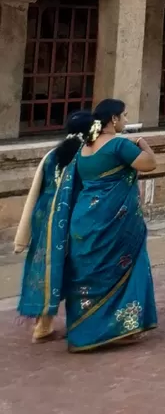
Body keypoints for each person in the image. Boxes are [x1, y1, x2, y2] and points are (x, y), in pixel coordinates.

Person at [17, 102, 160, 350]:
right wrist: (143, 144)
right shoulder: (119, 145)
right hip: (111, 222)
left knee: (81, 276)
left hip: (76, 222)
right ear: (113, 119)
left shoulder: (80, 151)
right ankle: (115, 328)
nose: (126, 119)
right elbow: (149, 163)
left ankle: (73, 330)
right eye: (124, 115)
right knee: (116, 272)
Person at [15, 110, 91, 343]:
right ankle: (79, 322)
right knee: (76, 266)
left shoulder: (52, 155)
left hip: (44, 215)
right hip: (71, 213)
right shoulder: (86, 155)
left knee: (45, 264)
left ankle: (42, 325)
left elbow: (37, 189)